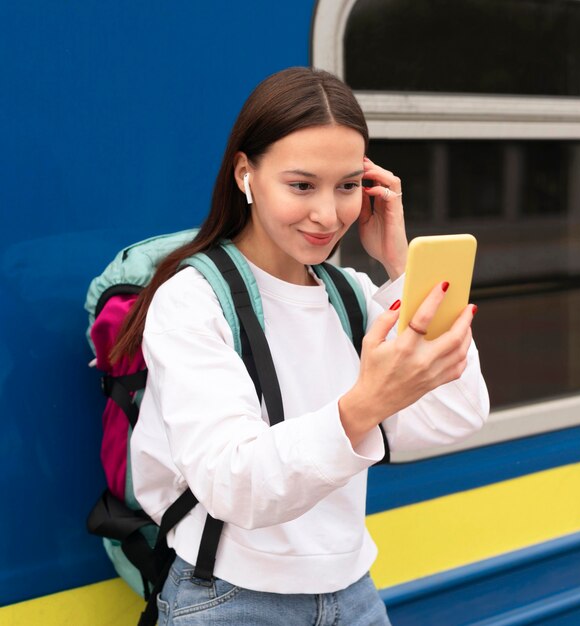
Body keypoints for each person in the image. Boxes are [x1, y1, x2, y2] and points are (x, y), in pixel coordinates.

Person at [112, 66, 489, 626]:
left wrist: (402, 267)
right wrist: (365, 404)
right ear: (246, 173)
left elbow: (458, 414)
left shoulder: (355, 295)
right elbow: (231, 483)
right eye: (301, 185)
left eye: (347, 186)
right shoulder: (193, 300)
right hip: (230, 599)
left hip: (353, 593)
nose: (328, 214)